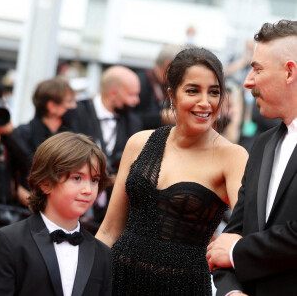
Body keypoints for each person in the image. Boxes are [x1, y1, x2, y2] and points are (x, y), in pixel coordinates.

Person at [96, 47, 248, 295]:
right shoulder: (139, 143)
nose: (204, 102)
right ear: (172, 95)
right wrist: (86, 278)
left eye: (214, 92)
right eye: (192, 90)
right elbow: (110, 229)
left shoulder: (232, 156)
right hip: (117, 279)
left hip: (183, 287)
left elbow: (246, 232)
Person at [206, 19, 297, 296]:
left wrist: (236, 251)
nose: (248, 82)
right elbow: (231, 236)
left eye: (257, 69)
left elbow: (231, 247)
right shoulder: (262, 145)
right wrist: (231, 292)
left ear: (289, 72)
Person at [0, 131, 112, 295]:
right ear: (45, 183)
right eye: (77, 178)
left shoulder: (102, 254)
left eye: (94, 180)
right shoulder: (9, 241)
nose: (88, 190)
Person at [64, 65, 143, 227]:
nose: (137, 101)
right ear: (113, 93)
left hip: (108, 216)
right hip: (70, 204)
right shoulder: (76, 112)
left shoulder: (134, 122)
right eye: (132, 95)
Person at [133, 44, 180, 130]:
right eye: (181, 68)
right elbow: (128, 118)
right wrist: (160, 117)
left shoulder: (170, 85)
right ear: (169, 65)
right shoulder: (138, 83)